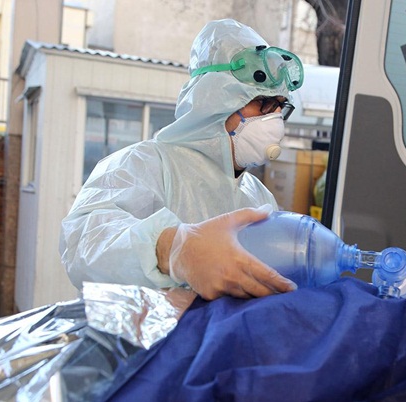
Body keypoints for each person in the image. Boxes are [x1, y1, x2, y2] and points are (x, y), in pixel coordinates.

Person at [59, 19, 305, 301]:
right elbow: (84, 242)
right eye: (263, 103)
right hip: (139, 330)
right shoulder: (142, 165)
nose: (274, 119)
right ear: (217, 100)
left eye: (280, 107)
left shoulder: (258, 196)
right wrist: (174, 249)